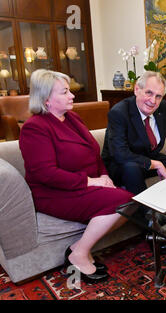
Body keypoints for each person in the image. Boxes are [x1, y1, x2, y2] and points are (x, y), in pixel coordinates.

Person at [19, 69, 133, 284]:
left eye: (69, 91)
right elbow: (45, 173)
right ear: (46, 99)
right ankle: (78, 253)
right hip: (54, 193)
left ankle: (76, 247)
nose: (72, 96)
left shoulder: (72, 117)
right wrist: (92, 181)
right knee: (125, 200)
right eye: (64, 92)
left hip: (84, 185)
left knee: (131, 202)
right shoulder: (34, 128)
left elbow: (93, 152)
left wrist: (104, 175)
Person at [101, 71, 166, 196]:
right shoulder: (119, 113)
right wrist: (155, 164)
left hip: (149, 158)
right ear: (137, 89)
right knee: (131, 168)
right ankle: (146, 213)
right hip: (123, 165)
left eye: (158, 96)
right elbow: (120, 154)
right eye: (149, 93)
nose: (153, 101)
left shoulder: (161, 109)